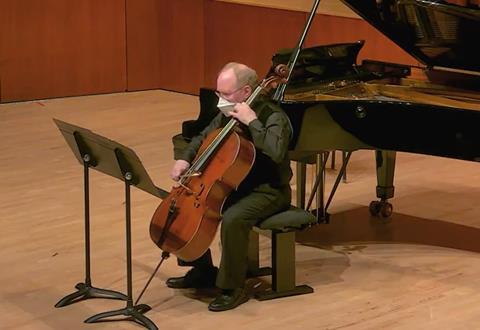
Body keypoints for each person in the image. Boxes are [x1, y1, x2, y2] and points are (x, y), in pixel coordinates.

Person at [167, 62, 293, 312]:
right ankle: (202, 270)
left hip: (268, 191)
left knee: (234, 218)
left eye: (225, 94)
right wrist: (184, 158)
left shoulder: (273, 116)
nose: (220, 100)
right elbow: (203, 136)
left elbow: (276, 152)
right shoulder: (228, 112)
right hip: (236, 185)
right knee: (191, 208)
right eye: (218, 93)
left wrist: (253, 122)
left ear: (246, 92)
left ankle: (232, 287)